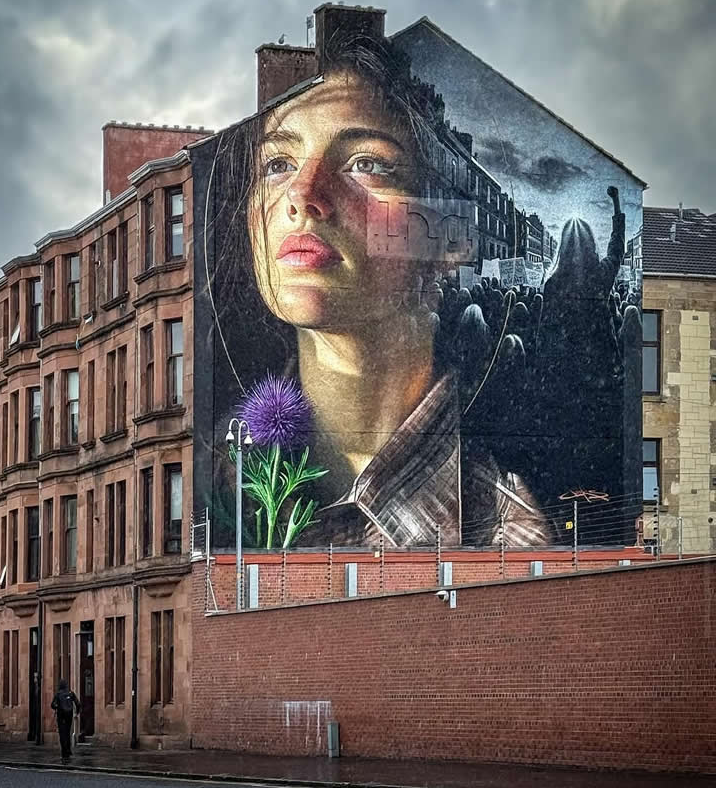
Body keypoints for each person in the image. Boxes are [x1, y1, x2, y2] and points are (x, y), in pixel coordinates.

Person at [206, 28, 635, 548]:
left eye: (367, 164)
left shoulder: (508, 538)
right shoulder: (218, 471)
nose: (303, 195)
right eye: (278, 164)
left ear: (449, 236)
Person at [50, 678, 80, 764]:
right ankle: (68, 750)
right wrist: (77, 713)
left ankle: (64, 753)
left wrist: (57, 707)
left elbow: (52, 705)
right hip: (69, 715)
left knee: (62, 734)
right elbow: (78, 704)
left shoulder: (58, 694)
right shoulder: (70, 693)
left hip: (61, 715)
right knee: (68, 732)